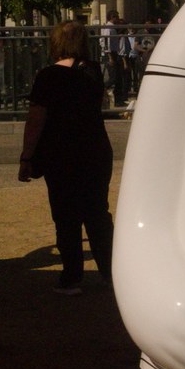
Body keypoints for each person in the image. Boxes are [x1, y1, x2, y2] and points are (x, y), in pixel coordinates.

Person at [18, 21, 113, 295]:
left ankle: (71, 277)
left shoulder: (48, 76)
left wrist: (27, 156)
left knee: (66, 215)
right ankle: (110, 273)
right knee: (97, 213)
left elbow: (36, 119)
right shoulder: (93, 71)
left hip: (60, 152)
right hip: (95, 149)